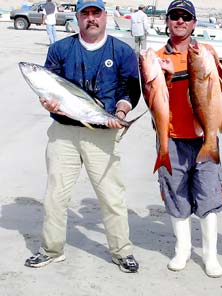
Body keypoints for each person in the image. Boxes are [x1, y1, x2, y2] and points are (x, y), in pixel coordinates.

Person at [24, 0, 141, 273]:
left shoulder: (121, 51)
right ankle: (51, 250)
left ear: (105, 16)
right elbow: (48, 89)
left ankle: (121, 252)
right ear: (77, 18)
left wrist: (121, 113)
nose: (91, 19)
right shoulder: (60, 49)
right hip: (63, 131)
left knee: (111, 196)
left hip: (102, 133)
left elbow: (130, 90)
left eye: (95, 13)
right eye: (85, 14)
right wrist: (48, 103)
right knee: (55, 195)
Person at [155, 0, 222, 278]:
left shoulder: (206, 51)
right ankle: (182, 249)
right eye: (175, 16)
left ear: (195, 23)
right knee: (176, 195)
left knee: (209, 195)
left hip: (205, 136)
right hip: (172, 137)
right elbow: (151, 97)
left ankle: (211, 255)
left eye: (186, 17)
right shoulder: (158, 56)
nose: (180, 21)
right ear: (167, 21)